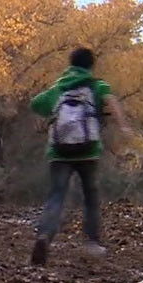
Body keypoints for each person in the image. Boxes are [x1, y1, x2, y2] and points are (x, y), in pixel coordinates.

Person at [27, 47, 129, 266]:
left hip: (59, 151)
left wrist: (51, 113)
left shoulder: (58, 88)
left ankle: (44, 236)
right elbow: (111, 101)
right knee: (90, 196)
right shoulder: (97, 85)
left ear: (71, 64)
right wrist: (123, 126)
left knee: (57, 195)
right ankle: (91, 243)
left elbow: (35, 104)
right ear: (91, 65)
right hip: (88, 150)